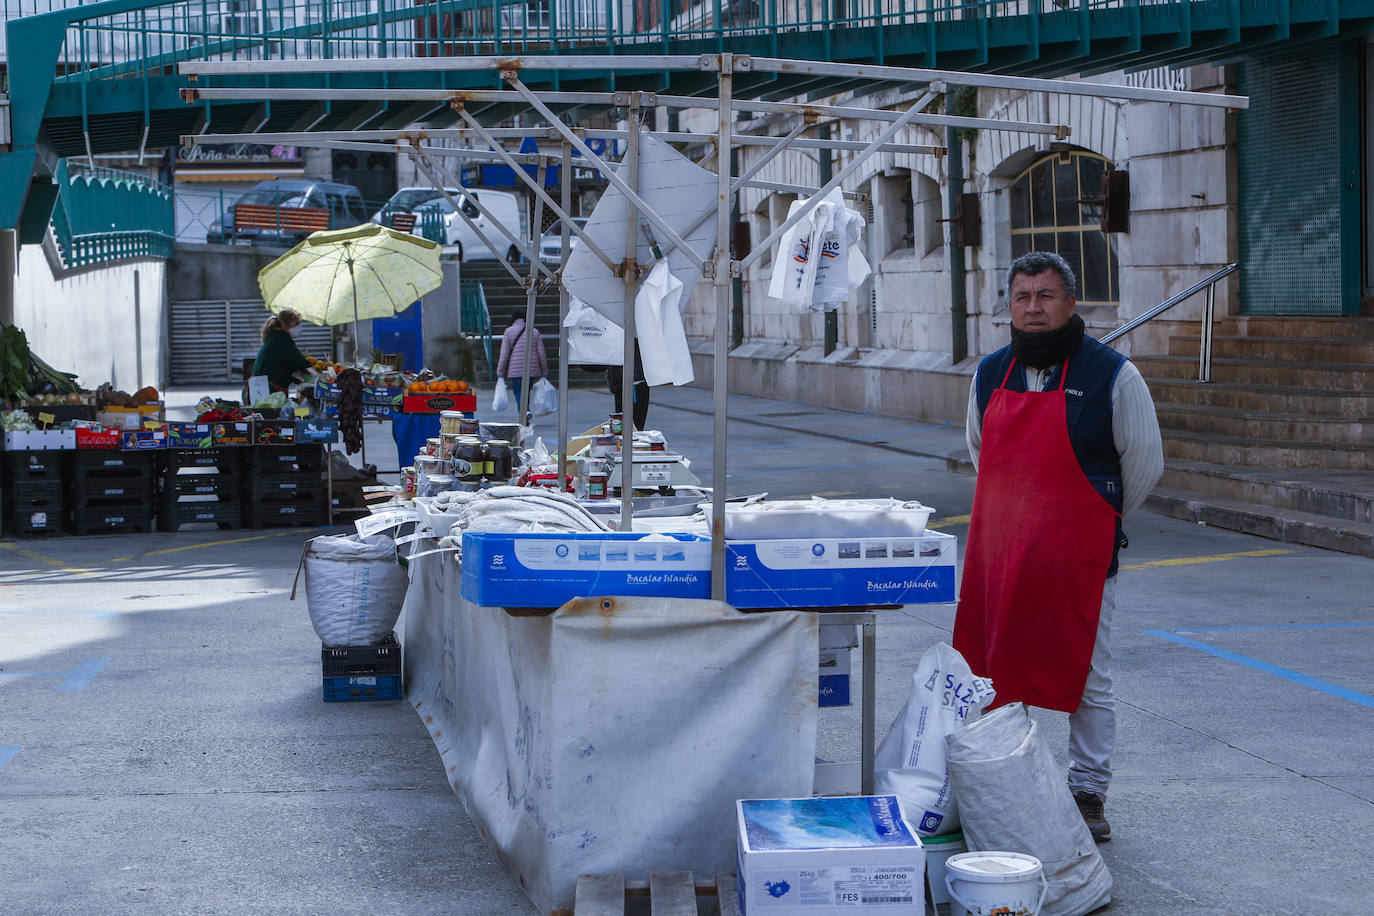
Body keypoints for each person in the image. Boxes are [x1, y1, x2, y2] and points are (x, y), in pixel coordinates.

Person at [953, 251, 1163, 843]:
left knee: (1088, 675)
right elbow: (981, 454)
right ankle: (1008, 782)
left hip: (1081, 556)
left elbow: (1144, 465)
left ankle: (1088, 791)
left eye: (1046, 296)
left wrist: (1090, 519)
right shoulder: (989, 374)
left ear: (1071, 304)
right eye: (1022, 297)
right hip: (1006, 553)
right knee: (999, 667)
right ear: (1009, 308)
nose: (1034, 308)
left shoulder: (1114, 375)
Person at [496, 309, 549, 411]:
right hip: (531, 368)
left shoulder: (508, 332)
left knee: (518, 392)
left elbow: (504, 354)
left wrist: (500, 371)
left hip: (515, 369)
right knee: (526, 392)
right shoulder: (534, 331)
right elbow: (541, 354)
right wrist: (544, 371)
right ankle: (526, 411)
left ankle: (524, 412)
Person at [252, 308, 310, 393]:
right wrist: (316, 372)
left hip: (257, 389)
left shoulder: (274, 337)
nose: (299, 327)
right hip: (267, 391)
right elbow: (300, 363)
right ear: (284, 324)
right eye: (296, 324)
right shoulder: (282, 340)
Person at [606, 342, 649, 431]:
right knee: (627, 424)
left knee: (631, 425)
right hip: (628, 382)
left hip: (632, 382)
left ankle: (628, 442)